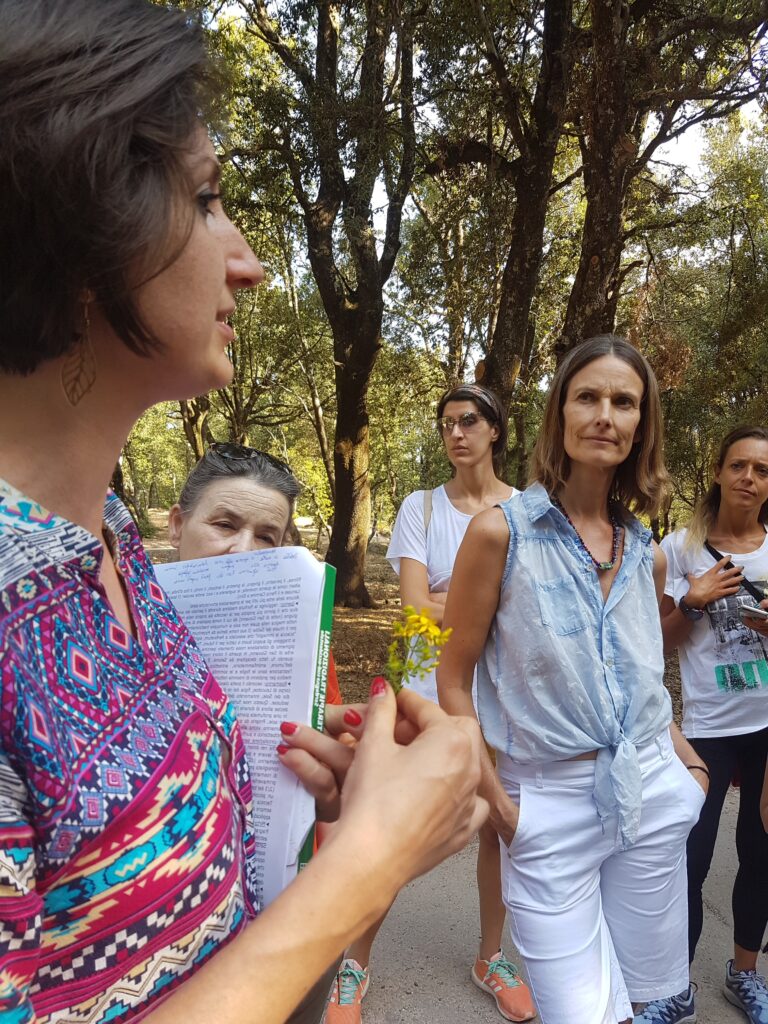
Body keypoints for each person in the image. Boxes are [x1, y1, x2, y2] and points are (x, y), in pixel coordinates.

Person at [0, 3, 488, 1022]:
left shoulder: (112, 547)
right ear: (84, 229)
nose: (250, 262)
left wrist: (312, 788)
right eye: (208, 199)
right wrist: (367, 862)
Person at [438, 336, 709, 1024]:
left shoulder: (645, 551)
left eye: (624, 402)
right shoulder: (500, 534)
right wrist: (502, 809)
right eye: (588, 397)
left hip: (652, 788)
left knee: (649, 1001)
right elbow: (454, 679)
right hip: (546, 804)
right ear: (560, 412)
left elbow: (641, 676)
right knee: (579, 1013)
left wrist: (690, 772)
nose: (605, 415)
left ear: (642, 425)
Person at [323, 384, 535, 1024]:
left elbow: (530, 612)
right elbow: (415, 608)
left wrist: (459, 604)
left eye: (468, 420)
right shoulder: (420, 507)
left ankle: (491, 958)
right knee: (391, 822)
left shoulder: (527, 510)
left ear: (495, 430)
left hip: (502, 691)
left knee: (497, 828)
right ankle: (354, 964)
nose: (456, 433)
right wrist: (486, 603)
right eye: (446, 423)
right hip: (424, 688)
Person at [658, 426, 768, 1023]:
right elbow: (656, 641)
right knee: (691, 858)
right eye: (739, 466)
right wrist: (693, 601)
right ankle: (676, 985)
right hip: (707, 728)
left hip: (766, 728)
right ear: (719, 472)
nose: (749, 478)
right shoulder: (680, 549)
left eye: (762, 470)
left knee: (761, 853)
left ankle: (743, 975)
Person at [167, 442, 342, 705]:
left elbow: (325, 719)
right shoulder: (122, 619)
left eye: (265, 537)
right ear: (177, 526)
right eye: (225, 525)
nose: (243, 551)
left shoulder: (301, 638)